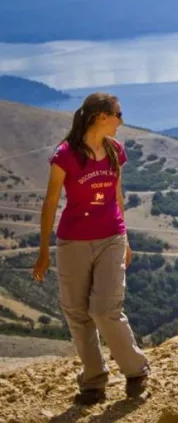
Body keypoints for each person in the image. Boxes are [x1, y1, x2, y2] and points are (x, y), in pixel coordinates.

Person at [32, 93, 150, 406]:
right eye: (117, 114)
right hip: (72, 241)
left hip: (111, 236)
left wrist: (126, 238)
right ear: (100, 116)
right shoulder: (66, 154)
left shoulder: (115, 151)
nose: (121, 120)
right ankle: (94, 381)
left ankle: (136, 371)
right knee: (77, 313)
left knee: (104, 310)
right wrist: (43, 250)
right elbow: (50, 202)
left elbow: (117, 197)